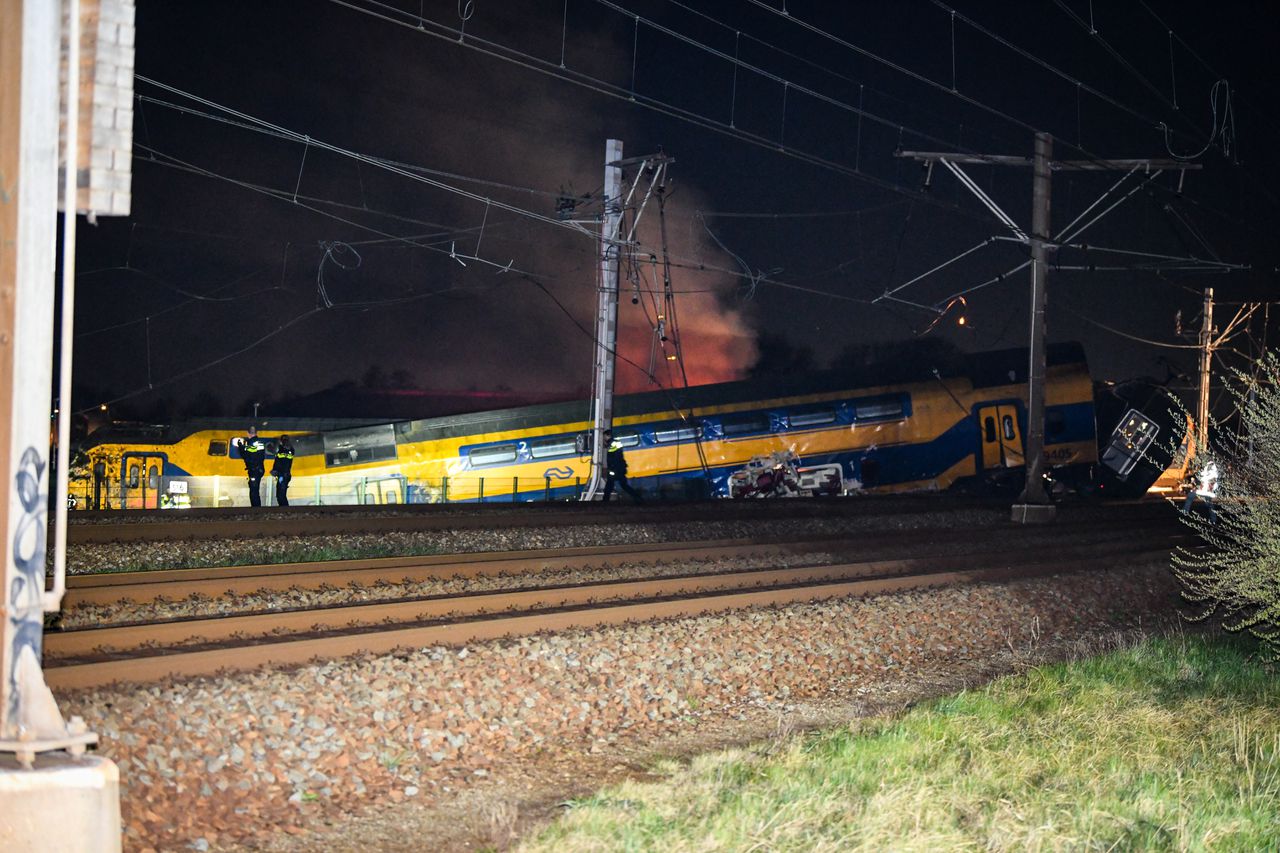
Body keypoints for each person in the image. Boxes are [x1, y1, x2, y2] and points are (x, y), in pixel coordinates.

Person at [602, 429, 642, 503]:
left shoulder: (612, 444)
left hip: (615, 469)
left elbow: (613, 457)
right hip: (619, 468)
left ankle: (605, 501)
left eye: (604, 436)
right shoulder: (615, 443)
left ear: (608, 436)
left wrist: (612, 469)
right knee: (622, 485)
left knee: (610, 485)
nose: (603, 438)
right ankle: (637, 497)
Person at [236, 425, 267, 507]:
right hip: (259, 469)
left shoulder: (250, 443)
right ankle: (256, 508)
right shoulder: (259, 443)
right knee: (255, 490)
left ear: (248, 433)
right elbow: (260, 456)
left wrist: (241, 447)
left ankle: (256, 509)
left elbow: (246, 456)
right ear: (256, 433)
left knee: (253, 491)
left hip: (254, 470)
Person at [1181, 457, 1219, 523]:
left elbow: (1203, 476)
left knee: (1190, 495)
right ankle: (1213, 519)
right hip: (1208, 492)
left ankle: (1185, 511)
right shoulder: (1213, 471)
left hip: (1204, 491)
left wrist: (1197, 477)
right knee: (1210, 504)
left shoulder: (1209, 469)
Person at [272, 434, 295, 507]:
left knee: (280, 495)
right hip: (284, 475)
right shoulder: (290, 450)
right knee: (281, 495)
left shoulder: (282, 450)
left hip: (283, 475)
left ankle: (285, 510)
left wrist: (276, 471)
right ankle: (284, 510)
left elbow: (280, 462)